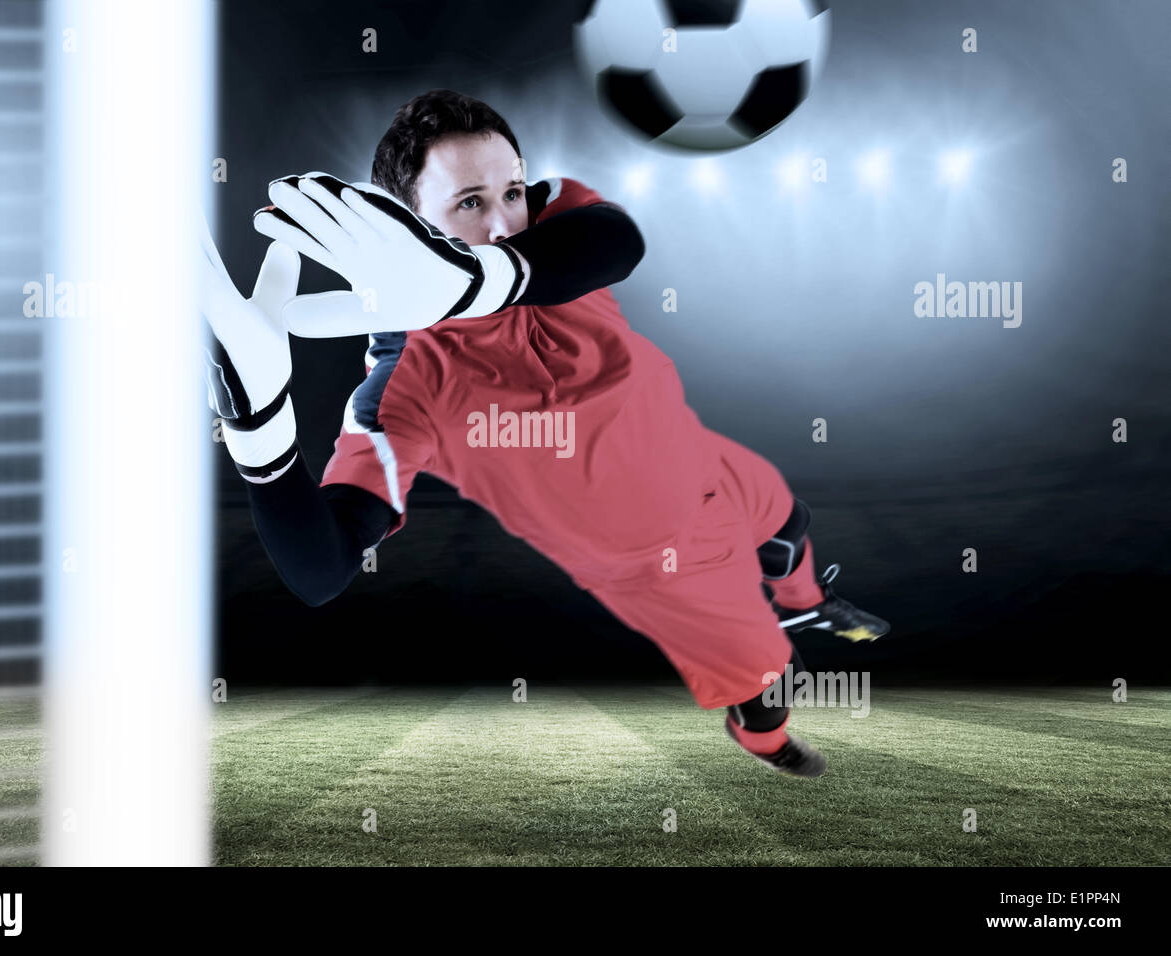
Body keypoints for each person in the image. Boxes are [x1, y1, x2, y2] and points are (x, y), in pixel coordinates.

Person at [200, 89, 888, 778]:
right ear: (408, 226)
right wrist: (260, 431)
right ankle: (761, 734)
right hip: (656, 561)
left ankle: (810, 604)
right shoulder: (407, 387)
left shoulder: (549, 237)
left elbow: (620, 240)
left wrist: (474, 277)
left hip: (702, 457)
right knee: (769, 686)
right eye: (468, 202)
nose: (504, 221)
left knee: (789, 522)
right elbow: (320, 572)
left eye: (512, 191)